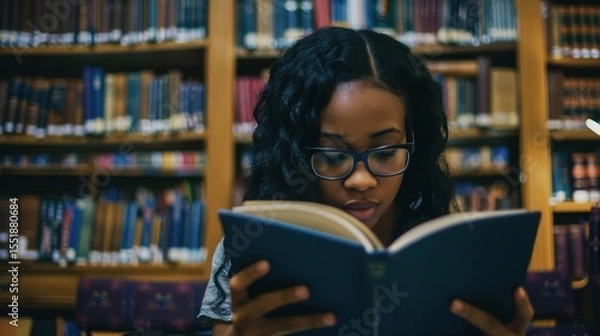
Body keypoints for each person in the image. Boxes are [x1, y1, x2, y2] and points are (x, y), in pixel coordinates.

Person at [199, 27, 534, 336]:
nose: (361, 180)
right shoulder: (251, 246)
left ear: (414, 145)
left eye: (386, 152)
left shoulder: (446, 242)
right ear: (297, 155)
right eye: (332, 156)